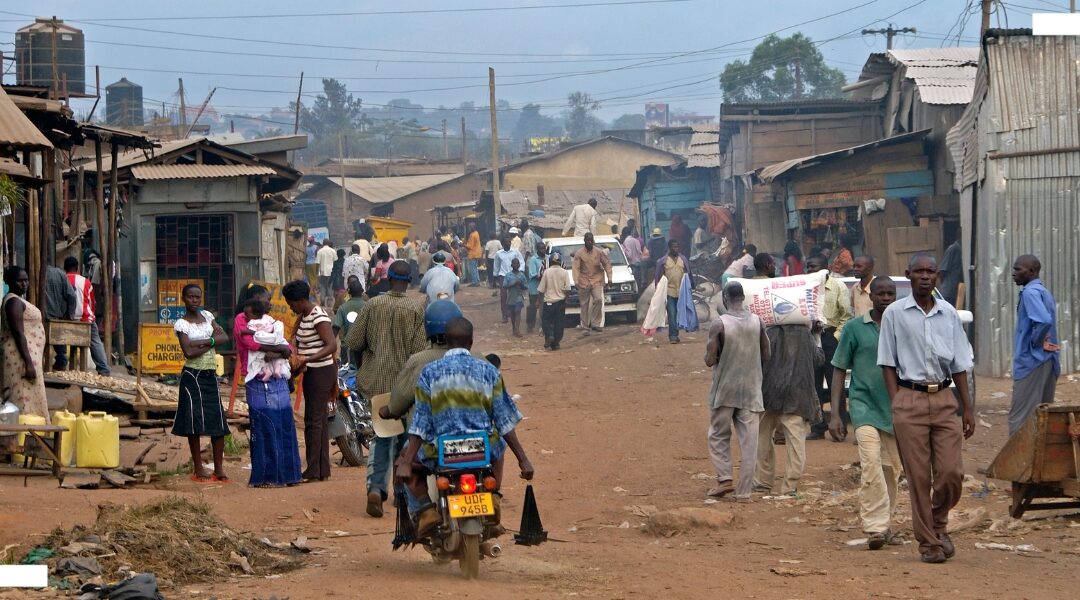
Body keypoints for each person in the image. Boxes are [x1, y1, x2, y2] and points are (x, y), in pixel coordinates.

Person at [395, 317, 534, 536]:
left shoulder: (429, 373)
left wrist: (405, 462)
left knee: (404, 460)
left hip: (441, 451)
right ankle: (493, 496)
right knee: (498, 446)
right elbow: (505, 421)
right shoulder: (489, 371)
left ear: (446, 341)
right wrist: (523, 459)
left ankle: (426, 509)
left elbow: (420, 423)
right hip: (482, 449)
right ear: (471, 341)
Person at [877, 254, 974, 564]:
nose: (924, 276)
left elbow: (959, 364)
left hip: (945, 399)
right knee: (918, 477)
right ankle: (929, 543)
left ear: (938, 277)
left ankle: (938, 522)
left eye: (930, 271)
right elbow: (888, 363)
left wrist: (968, 409)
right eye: (918, 271)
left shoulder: (949, 314)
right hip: (909, 398)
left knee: (951, 473)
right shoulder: (894, 313)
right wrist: (897, 403)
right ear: (908, 276)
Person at [345, 260, 427, 518]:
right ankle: (400, 492)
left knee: (381, 438)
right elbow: (418, 353)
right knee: (404, 439)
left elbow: (354, 343)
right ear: (409, 281)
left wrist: (361, 371)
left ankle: (375, 489)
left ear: (388, 280)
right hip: (405, 386)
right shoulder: (415, 310)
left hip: (376, 385)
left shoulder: (372, 305)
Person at [830, 276, 903, 550]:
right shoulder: (854, 329)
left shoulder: (901, 327)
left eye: (890, 294)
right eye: (880, 293)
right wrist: (836, 414)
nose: (885, 298)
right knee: (871, 463)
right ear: (870, 296)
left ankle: (885, 526)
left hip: (895, 410)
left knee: (891, 470)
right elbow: (839, 368)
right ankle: (874, 527)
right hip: (862, 406)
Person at [704, 282, 770, 502]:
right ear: (743, 298)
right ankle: (744, 493)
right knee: (749, 443)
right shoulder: (757, 321)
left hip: (725, 389)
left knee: (718, 435)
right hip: (751, 389)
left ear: (725, 299)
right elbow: (766, 354)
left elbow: (709, 360)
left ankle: (724, 478)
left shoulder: (719, 324)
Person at [235, 298, 302, 488]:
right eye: (265, 298)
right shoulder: (242, 319)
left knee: (283, 423)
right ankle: (271, 476)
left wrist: (280, 350)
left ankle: (287, 475)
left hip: (275, 378)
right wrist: (280, 349)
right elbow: (252, 344)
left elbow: (286, 346)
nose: (269, 303)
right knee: (266, 424)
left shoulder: (269, 321)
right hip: (257, 378)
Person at [172, 283, 231, 483]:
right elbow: (187, 352)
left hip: (210, 375)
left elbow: (224, 337)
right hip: (192, 377)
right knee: (194, 423)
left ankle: (219, 469)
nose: (194, 301)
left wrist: (203, 342)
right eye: (190, 297)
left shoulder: (207, 316)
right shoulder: (182, 324)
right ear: (183, 299)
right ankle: (198, 468)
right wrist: (210, 341)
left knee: (218, 422)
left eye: (197, 297)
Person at [282, 279, 339, 483]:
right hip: (312, 372)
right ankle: (321, 469)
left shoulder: (318, 316)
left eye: (291, 303)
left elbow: (331, 345)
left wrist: (307, 358)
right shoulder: (304, 316)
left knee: (313, 422)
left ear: (300, 300)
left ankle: (313, 469)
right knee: (318, 421)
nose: (290, 307)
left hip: (321, 372)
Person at [1009, 255, 1060, 435]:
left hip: (1032, 361)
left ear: (1032, 272)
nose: (1013, 273)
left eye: (1018, 269)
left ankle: (1015, 463)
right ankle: (1039, 462)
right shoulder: (1043, 292)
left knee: (1020, 418)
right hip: (1048, 360)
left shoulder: (1030, 293)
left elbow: (1044, 321)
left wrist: (1035, 342)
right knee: (1043, 417)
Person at [1, 266, 49, 454]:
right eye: (20, 280)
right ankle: (18, 447)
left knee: (29, 399)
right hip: (20, 359)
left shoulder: (18, 301)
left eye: (26, 280)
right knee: (22, 400)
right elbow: (19, 334)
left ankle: (28, 446)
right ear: (9, 282)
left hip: (26, 356)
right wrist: (28, 363)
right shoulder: (13, 302)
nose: (25, 284)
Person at [806, 254, 852, 440]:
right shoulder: (805, 287)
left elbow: (847, 315)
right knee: (813, 384)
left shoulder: (838, 286)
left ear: (826, 268)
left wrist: (835, 336)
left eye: (814, 266)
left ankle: (839, 426)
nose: (810, 270)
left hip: (830, 338)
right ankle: (817, 427)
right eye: (808, 267)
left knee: (835, 384)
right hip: (811, 338)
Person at [63, 256, 110, 375]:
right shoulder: (85, 282)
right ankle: (103, 370)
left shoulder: (62, 279)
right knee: (95, 342)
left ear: (64, 268)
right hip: (85, 319)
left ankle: (61, 364)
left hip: (67, 320)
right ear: (77, 268)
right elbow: (92, 303)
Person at [654, 239, 693, 344]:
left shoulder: (683, 259)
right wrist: (657, 291)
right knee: (672, 314)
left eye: (677, 247)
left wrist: (691, 287)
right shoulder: (663, 261)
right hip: (669, 291)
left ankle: (677, 332)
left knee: (681, 313)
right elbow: (658, 277)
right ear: (669, 248)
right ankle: (673, 336)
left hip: (681, 292)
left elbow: (689, 274)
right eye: (674, 247)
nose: (676, 249)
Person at [572, 232, 612, 335]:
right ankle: (585, 326)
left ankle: (595, 323)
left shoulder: (599, 252)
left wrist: (610, 277)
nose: (590, 242)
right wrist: (576, 280)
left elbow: (606, 264)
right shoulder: (579, 253)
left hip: (596, 279)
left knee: (598, 299)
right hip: (583, 280)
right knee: (584, 304)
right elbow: (575, 268)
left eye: (591, 240)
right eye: (588, 240)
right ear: (584, 241)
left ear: (593, 241)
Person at [241, 301, 291, 382]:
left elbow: (253, 336)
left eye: (247, 315)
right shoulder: (268, 318)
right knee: (276, 360)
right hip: (275, 342)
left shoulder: (252, 322)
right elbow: (276, 326)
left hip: (266, 343)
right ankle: (277, 370)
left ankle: (267, 372)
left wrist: (245, 331)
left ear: (255, 314)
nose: (245, 317)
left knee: (260, 360)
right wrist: (281, 348)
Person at [44, 264, 77, 371]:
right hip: (57, 317)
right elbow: (71, 295)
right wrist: (69, 314)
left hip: (41, 317)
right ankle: (60, 368)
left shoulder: (32, 272)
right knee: (60, 349)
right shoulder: (60, 274)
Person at [538, 252, 571, 351]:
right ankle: (556, 343)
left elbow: (541, 289)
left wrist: (538, 302)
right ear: (560, 261)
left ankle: (549, 336)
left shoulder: (547, 272)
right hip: (560, 302)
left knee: (546, 321)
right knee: (559, 323)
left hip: (548, 302)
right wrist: (566, 299)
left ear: (551, 261)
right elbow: (568, 289)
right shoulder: (564, 272)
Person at [332, 277, 367, 365]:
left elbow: (335, 328)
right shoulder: (368, 306)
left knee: (346, 373)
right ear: (362, 292)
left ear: (349, 292)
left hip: (347, 347)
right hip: (364, 348)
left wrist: (330, 347)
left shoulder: (343, 308)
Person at [493, 236, 525, 324]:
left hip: (514, 275)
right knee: (503, 296)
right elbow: (496, 265)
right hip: (503, 276)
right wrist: (495, 276)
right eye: (506, 242)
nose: (508, 243)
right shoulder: (499, 254)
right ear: (502, 244)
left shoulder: (515, 252)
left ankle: (514, 313)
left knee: (514, 294)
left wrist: (520, 271)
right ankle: (504, 315)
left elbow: (522, 262)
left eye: (509, 242)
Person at [503, 258, 528, 338]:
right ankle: (514, 328)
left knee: (518, 311)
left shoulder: (522, 275)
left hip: (519, 296)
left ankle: (517, 329)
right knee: (512, 314)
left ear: (519, 265)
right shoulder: (508, 275)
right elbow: (504, 286)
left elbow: (526, 286)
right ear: (511, 265)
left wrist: (521, 285)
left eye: (517, 263)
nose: (516, 265)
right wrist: (513, 284)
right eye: (514, 263)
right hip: (511, 297)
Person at [525, 242, 546, 335]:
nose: (543, 250)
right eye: (541, 249)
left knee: (544, 308)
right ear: (537, 249)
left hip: (545, 288)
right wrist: (543, 276)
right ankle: (530, 325)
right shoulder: (533, 260)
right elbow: (532, 274)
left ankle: (543, 326)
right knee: (533, 307)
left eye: (544, 248)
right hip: (535, 288)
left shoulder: (548, 258)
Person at [938, 239, 963, 306]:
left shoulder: (961, 250)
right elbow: (942, 270)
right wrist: (947, 285)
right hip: (948, 294)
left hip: (956, 293)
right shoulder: (953, 249)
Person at [316, 239, 337, 306]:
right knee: (330, 287)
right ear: (328, 244)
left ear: (323, 243)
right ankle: (330, 303)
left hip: (322, 272)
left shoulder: (320, 251)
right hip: (331, 272)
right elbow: (335, 261)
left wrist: (317, 272)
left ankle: (322, 300)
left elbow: (317, 263)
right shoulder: (332, 251)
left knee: (323, 286)